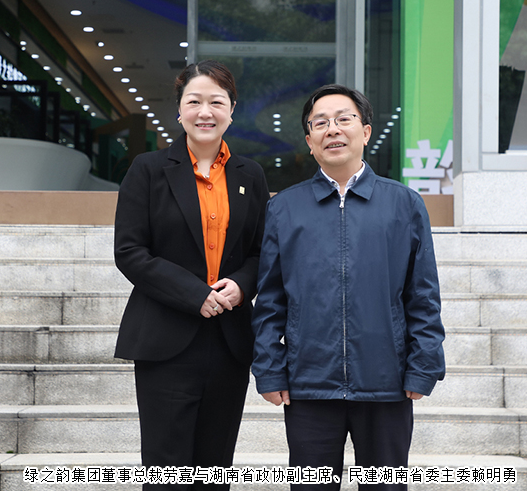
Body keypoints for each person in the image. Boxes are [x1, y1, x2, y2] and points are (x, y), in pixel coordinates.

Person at [251, 84, 445, 490]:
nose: (333, 130)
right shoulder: (284, 208)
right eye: (320, 123)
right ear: (309, 141)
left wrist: (423, 366)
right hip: (309, 385)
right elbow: (269, 299)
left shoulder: (404, 204)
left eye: (344, 119)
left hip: (387, 383)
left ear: (366, 131)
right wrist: (269, 369)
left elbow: (423, 296)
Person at [114, 60, 269, 489]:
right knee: (167, 469)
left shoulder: (250, 175)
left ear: (231, 111)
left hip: (229, 340)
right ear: (179, 111)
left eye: (216, 102)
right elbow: (129, 251)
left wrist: (242, 285)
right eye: (194, 101)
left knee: (215, 467)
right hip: (166, 338)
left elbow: (262, 251)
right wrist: (193, 293)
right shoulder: (147, 169)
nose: (205, 112)